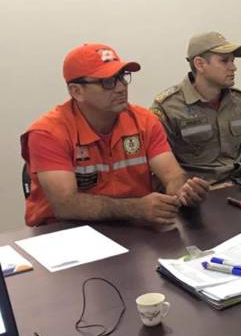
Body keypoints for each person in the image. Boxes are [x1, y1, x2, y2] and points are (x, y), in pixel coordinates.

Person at [21, 43, 209, 227]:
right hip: (65, 231)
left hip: (132, 228)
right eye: (107, 82)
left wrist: (184, 189)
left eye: (122, 77)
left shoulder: (145, 121)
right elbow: (65, 204)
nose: (121, 87)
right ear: (77, 91)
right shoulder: (48, 133)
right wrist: (136, 208)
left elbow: (172, 175)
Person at [151, 32, 241, 183]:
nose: (233, 67)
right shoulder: (168, 107)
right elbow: (160, 170)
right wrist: (194, 190)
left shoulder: (240, 102)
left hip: (240, 185)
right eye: (224, 61)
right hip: (199, 190)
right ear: (200, 64)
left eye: (233, 61)